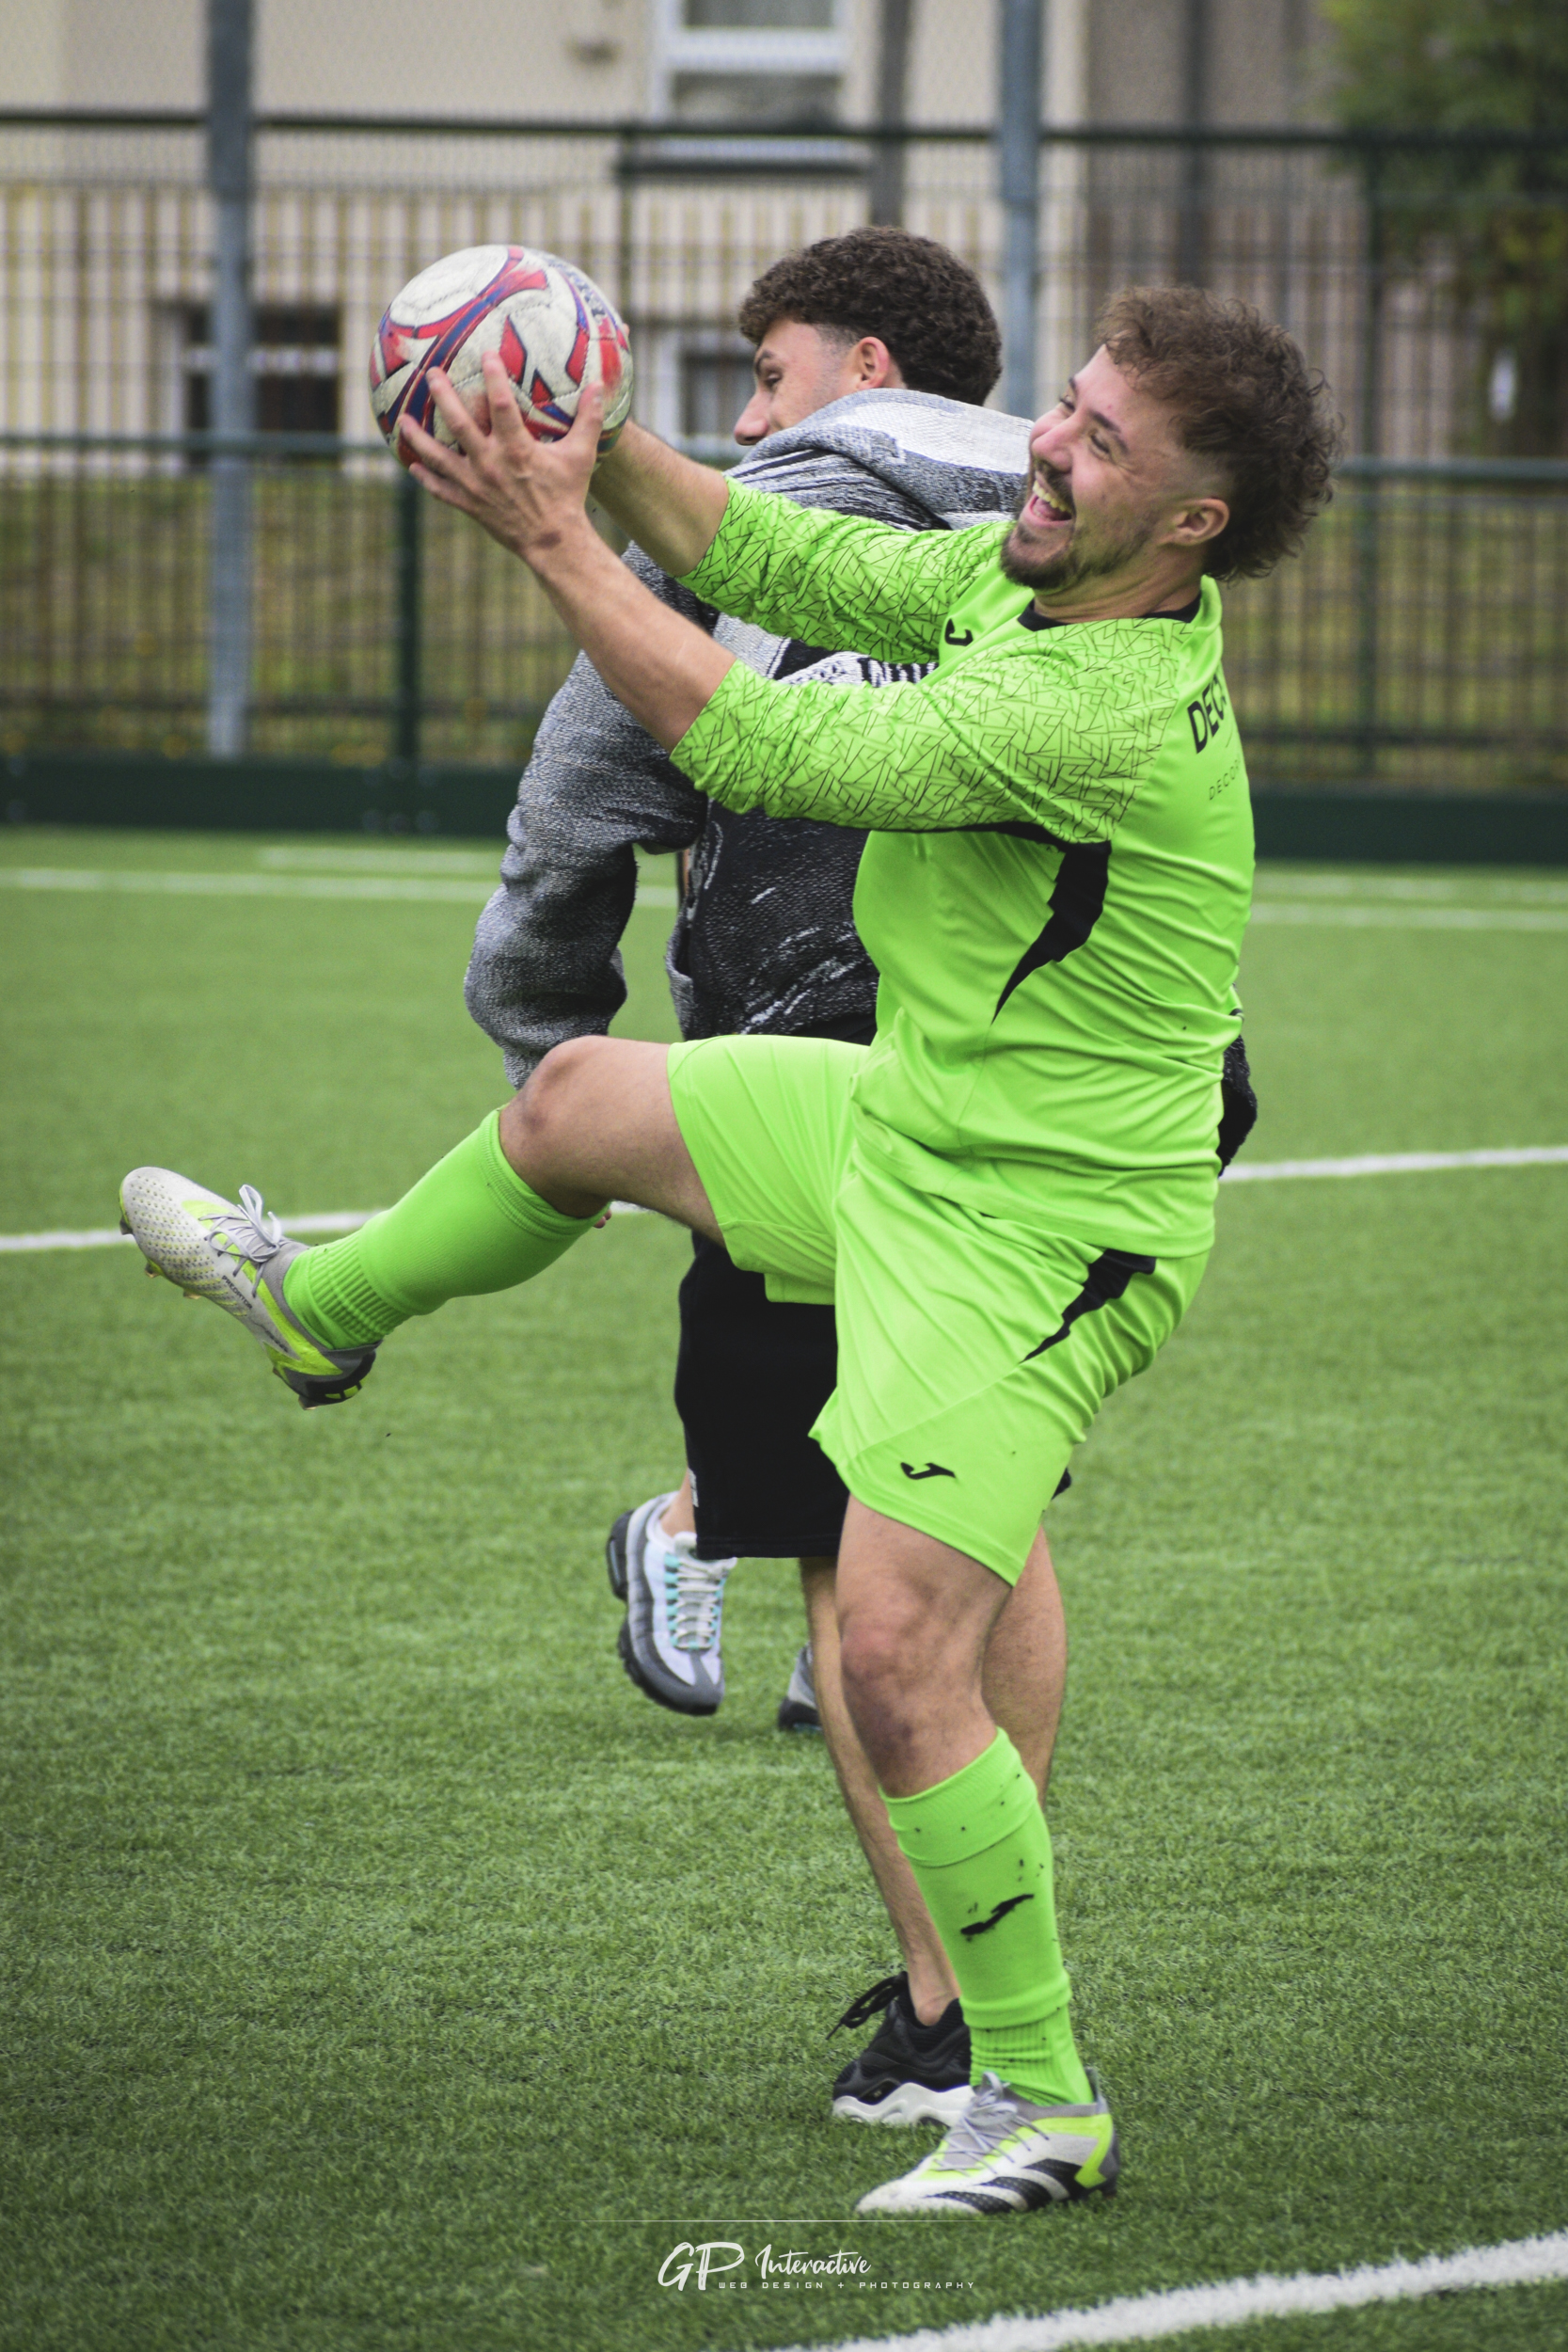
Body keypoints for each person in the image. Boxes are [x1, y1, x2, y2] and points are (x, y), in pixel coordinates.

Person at [120, 280, 1338, 2217]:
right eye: (1073, 408)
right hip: (918, 1126)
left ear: (1193, 523)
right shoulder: (1035, 588)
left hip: (1049, 1229)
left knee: (892, 1648)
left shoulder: (1082, 700)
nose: (1047, 442)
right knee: (580, 1099)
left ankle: (1038, 2094)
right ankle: (314, 1311)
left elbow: (759, 745)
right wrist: (589, 436)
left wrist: (548, 533)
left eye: (1104, 442)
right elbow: (770, 548)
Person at [462, 227, 1069, 2134]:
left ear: (860, 361)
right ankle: (984, 1983)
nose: (748, 418)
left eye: (769, 375)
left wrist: (551, 1041)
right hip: (1037, 1082)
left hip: (798, 1063)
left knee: (842, 1547)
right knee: (990, 1520)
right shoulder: (1066, 519)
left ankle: (949, 2010)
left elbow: (587, 794)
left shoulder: (770, 514)